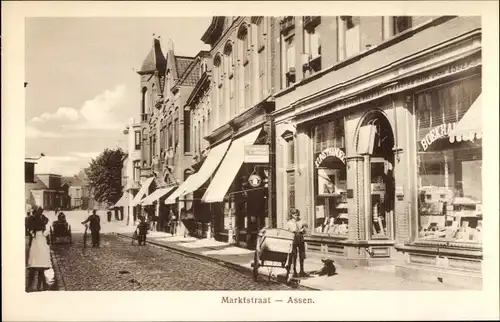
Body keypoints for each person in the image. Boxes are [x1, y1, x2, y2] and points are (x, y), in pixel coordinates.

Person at [26, 207, 51, 292]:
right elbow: (45, 231)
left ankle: (32, 285)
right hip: (41, 241)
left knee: (35, 258)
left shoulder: (34, 219)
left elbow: (31, 230)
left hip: (36, 241)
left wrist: (33, 234)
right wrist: (46, 233)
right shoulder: (41, 219)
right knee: (41, 260)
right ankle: (41, 286)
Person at [286, 208, 309, 278]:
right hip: (293, 240)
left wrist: (303, 229)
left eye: (297, 215)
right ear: (292, 215)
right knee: (294, 256)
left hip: (301, 239)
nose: (297, 216)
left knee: (302, 255)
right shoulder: (289, 223)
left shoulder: (301, 221)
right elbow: (287, 232)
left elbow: (306, 229)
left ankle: (302, 271)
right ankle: (294, 271)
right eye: (295, 215)